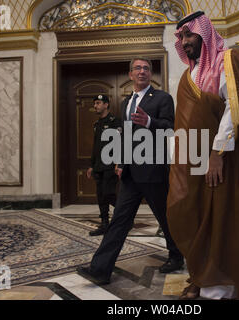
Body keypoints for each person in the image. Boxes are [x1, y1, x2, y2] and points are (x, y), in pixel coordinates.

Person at [166, 11, 239, 300]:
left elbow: (235, 109)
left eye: (189, 35)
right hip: (192, 162)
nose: (185, 41)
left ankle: (221, 285)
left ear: (204, 34)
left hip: (222, 161)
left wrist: (216, 153)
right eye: (181, 37)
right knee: (189, 212)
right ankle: (202, 275)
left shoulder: (226, 60)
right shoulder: (189, 74)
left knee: (222, 218)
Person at [77, 58, 183, 284]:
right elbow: (125, 136)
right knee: (119, 220)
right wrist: (121, 162)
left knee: (165, 218)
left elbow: (170, 128)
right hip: (130, 174)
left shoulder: (163, 98)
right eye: (138, 68)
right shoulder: (126, 103)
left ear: (150, 74)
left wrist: (149, 123)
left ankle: (176, 256)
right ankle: (100, 269)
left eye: (146, 68)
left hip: (154, 169)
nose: (142, 71)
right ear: (131, 74)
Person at [87, 94, 121, 236]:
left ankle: (125, 216)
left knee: (108, 194)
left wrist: (119, 162)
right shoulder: (97, 124)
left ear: (106, 104)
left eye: (98, 103)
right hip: (99, 166)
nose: (96, 106)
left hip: (110, 164)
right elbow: (96, 146)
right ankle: (104, 224)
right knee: (101, 196)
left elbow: (120, 143)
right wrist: (91, 165)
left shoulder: (115, 122)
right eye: (95, 103)